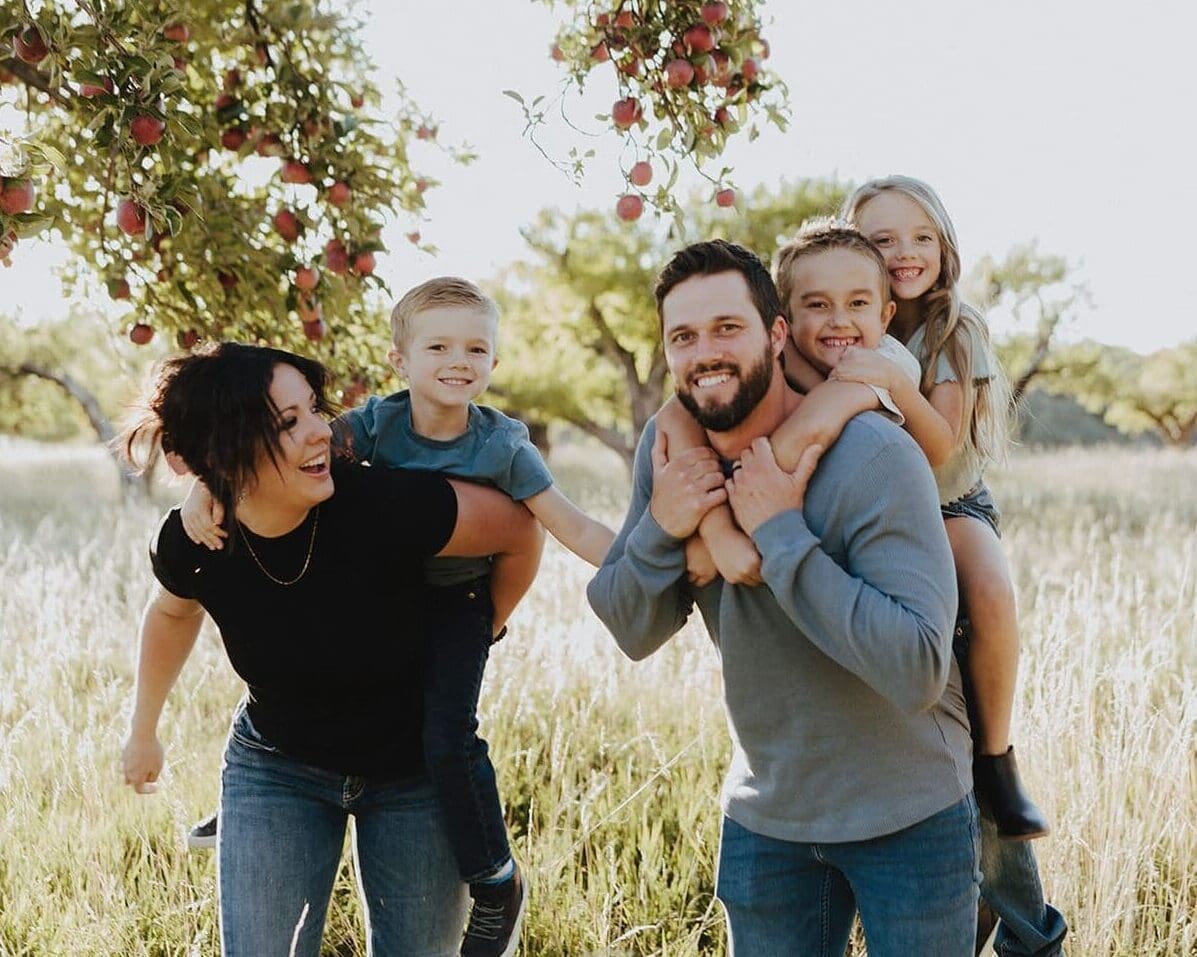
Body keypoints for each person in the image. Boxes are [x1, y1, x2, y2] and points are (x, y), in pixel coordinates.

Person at [178, 278, 616, 957]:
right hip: (391, 595)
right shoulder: (375, 423)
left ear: (495, 362)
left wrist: (645, 568)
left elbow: (562, 526)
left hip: (460, 603)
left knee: (445, 736)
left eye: (476, 347)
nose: (458, 359)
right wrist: (207, 481)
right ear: (398, 360)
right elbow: (272, 451)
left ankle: (494, 877)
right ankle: (258, 804)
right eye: (438, 344)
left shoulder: (504, 447)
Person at [589, 239, 980, 955]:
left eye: (726, 328)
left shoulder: (873, 454)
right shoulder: (672, 454)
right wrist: (662, 529)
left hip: (909, 816)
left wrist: (780, 537)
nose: (704, 351)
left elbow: (917, 669)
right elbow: (628, 624)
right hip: (767, 821)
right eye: (683, 336)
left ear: (775, 334)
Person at [118, 342, 541, 957]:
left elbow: (517, 529)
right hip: (277, 766)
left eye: (313, 409)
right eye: (289, 423)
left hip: (414, 774)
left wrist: (482, 629)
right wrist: (142, 730)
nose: (323, 432)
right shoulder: (197, 541)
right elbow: (172, 613)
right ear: (217, 454)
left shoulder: (380, 504)